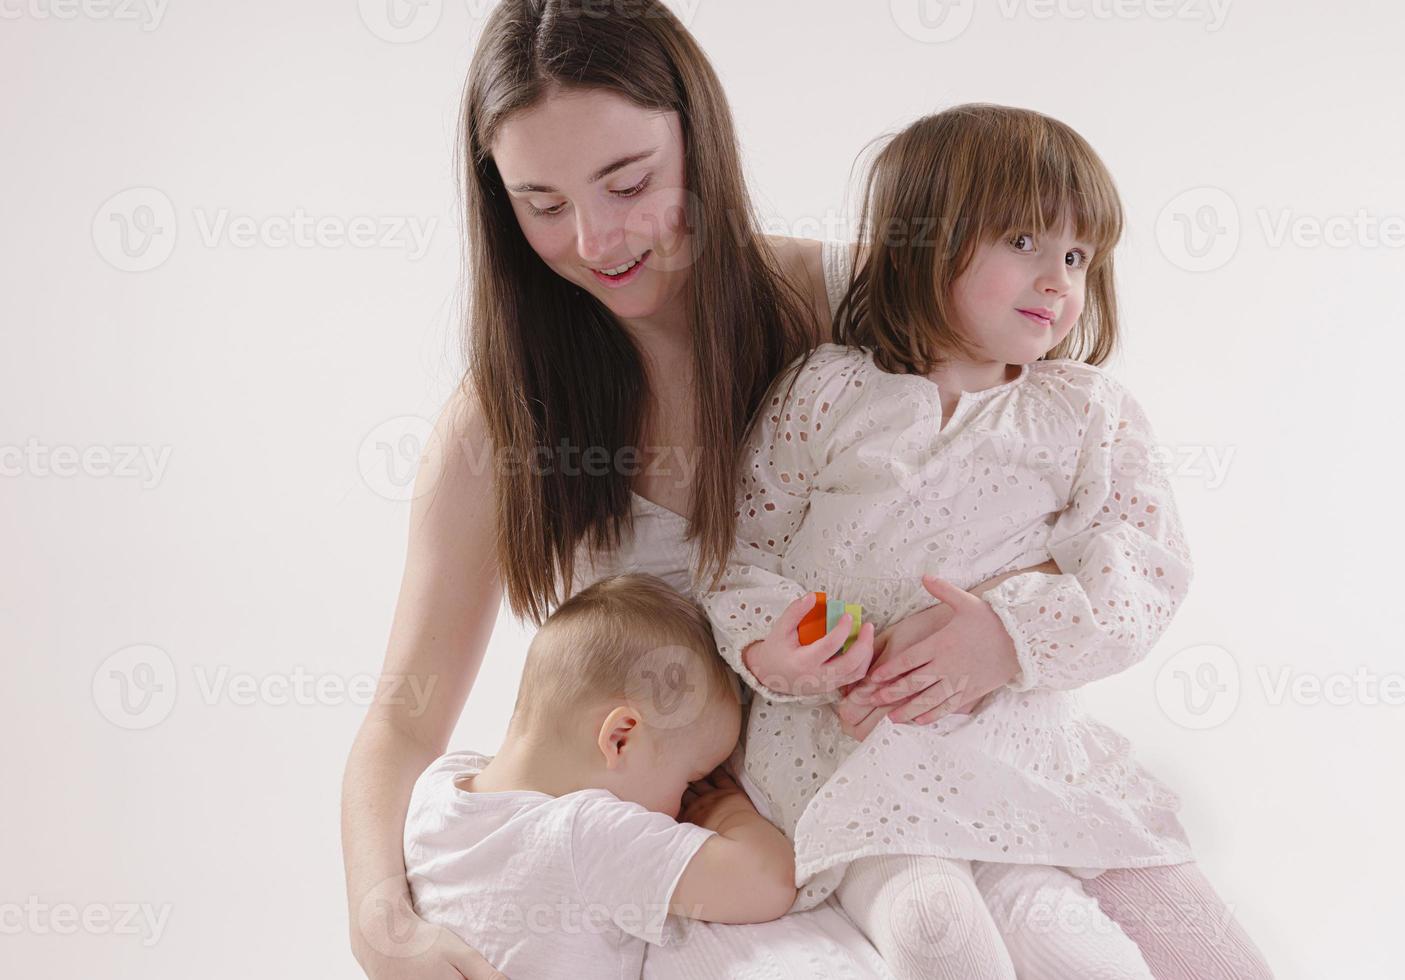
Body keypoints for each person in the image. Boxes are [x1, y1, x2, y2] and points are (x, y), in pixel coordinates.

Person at [341, 3, 1043, 977]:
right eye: (541, 202)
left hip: (888, 803)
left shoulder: (846, 311)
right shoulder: (500, 420)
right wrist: (383, 923)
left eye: (626, 182)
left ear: (697, 139)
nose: (594, 239)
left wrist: (998, 636)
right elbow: (406, 718)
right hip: (683, 879)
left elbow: (1059, 484)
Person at [694, 104, 1275, 980]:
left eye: (1077, 257)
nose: (1058, 280)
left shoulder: (1085, 412)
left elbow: (1143, 568)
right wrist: (780, 650)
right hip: (854, 754)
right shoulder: (826, 391)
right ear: (921, 244)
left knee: (1171, 953)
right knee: (933, 929)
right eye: (1023, 242)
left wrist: (1010, 635)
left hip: (1021, 747)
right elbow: (743, 561)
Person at [402, 573, 797, 979]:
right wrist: (727, 809)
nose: (687, 804)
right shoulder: (588, 832)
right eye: (690, 781)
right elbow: (769, 883)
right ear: (621, 738)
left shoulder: (437, 787)